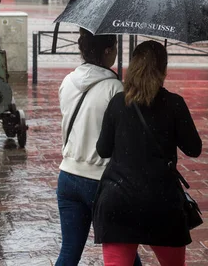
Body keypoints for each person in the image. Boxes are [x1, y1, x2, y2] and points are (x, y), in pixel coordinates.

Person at [93, 40, 202, 266]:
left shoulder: (117, 103)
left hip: (118, 201)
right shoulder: (174, 104)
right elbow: (194, 149)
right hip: (161, 203)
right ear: (163, 69)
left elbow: (102, 150)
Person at [56, 28, 141, 266]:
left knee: (69, 252)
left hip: (68, 176)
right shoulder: (115, 88)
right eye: (114, 48)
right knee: (124, 251)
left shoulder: (67, 81)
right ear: (107, 51)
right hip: (100, 181)